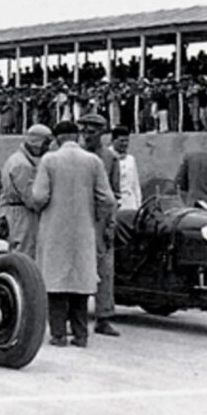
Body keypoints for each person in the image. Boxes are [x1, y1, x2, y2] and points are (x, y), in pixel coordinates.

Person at [32, 121, 116, 348]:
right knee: (81, 282)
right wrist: (97, 217)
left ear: (58, 138)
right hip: (84, 229)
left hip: (55, 229)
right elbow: (107, 199)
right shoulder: (93, 161)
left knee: (55, 281)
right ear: (77, 136)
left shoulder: (49, 161)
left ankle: (58, 334)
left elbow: (39, 197)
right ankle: (81, 336)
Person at [77, 113, 121, 337]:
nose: (87, 135)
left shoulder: (110, 158)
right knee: (76, 267)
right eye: (84, 130)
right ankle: (74, 316)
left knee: (104, 270)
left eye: (92, 131)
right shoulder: (75, 155)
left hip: (100, 220)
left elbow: (115, 194)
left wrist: (110, 224)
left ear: (102, 133)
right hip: (77, 218)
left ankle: (104, 317)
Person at [0, 124, 52, 259]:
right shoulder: (22, 165)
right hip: (21, 215)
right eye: (45, 143)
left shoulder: (17, 159)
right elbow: (30, 198)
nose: (47, 148)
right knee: (24, 253)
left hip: (15, 212)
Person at [110, 126, 142, 211]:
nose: (124, 144)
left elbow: (135, 184)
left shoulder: (131, 159)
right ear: (113, 141)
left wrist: (138, 205)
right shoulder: (108, 157)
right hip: (115, 205)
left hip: (130, 203)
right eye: (121, 141)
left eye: (127, 141)